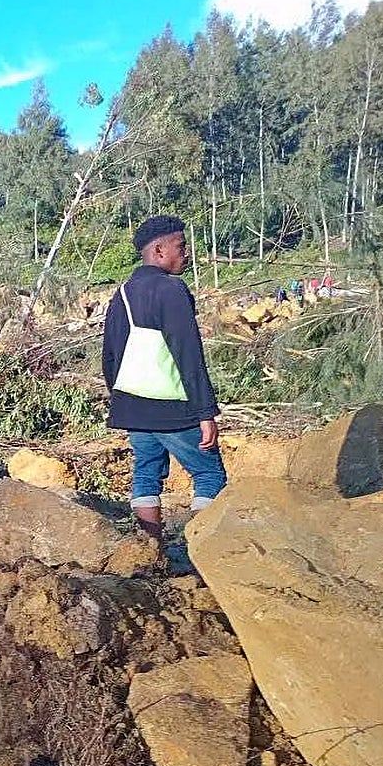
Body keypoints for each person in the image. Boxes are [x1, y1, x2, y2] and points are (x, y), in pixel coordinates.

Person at [102, 215, 227, 542]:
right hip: (174, 407)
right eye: (181, 246)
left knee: (146, 475)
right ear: (159, 251)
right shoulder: (172, 289)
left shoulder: (123, 293)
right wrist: (205, 412)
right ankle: (199, 552)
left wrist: (122, 401)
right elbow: (188, 354)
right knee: (209, 474)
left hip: (133, 405)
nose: (186, 254)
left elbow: (110, 355)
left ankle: (150, 551)